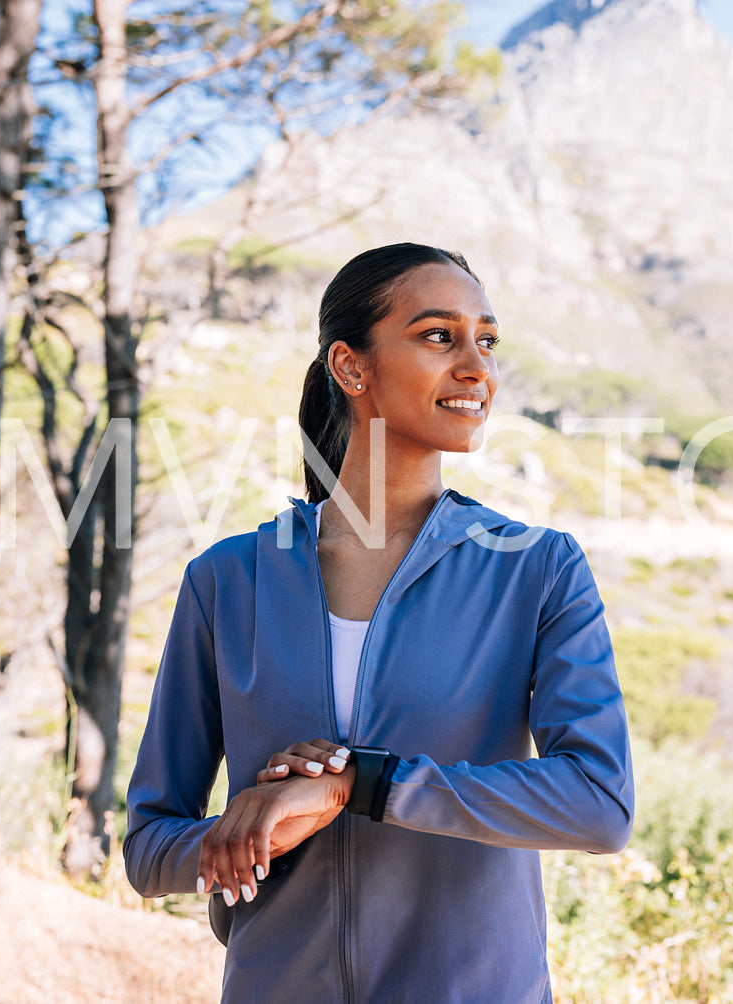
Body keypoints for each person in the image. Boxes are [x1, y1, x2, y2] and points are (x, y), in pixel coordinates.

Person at [122, 242, 634, 1001]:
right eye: (438, 336)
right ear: (350, 367)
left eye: (485, 341)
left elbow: (598, 803)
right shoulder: (227, 580)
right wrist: (242, 834)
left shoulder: (535, 568)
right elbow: (149, 847)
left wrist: (361, 784)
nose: (476, 367)